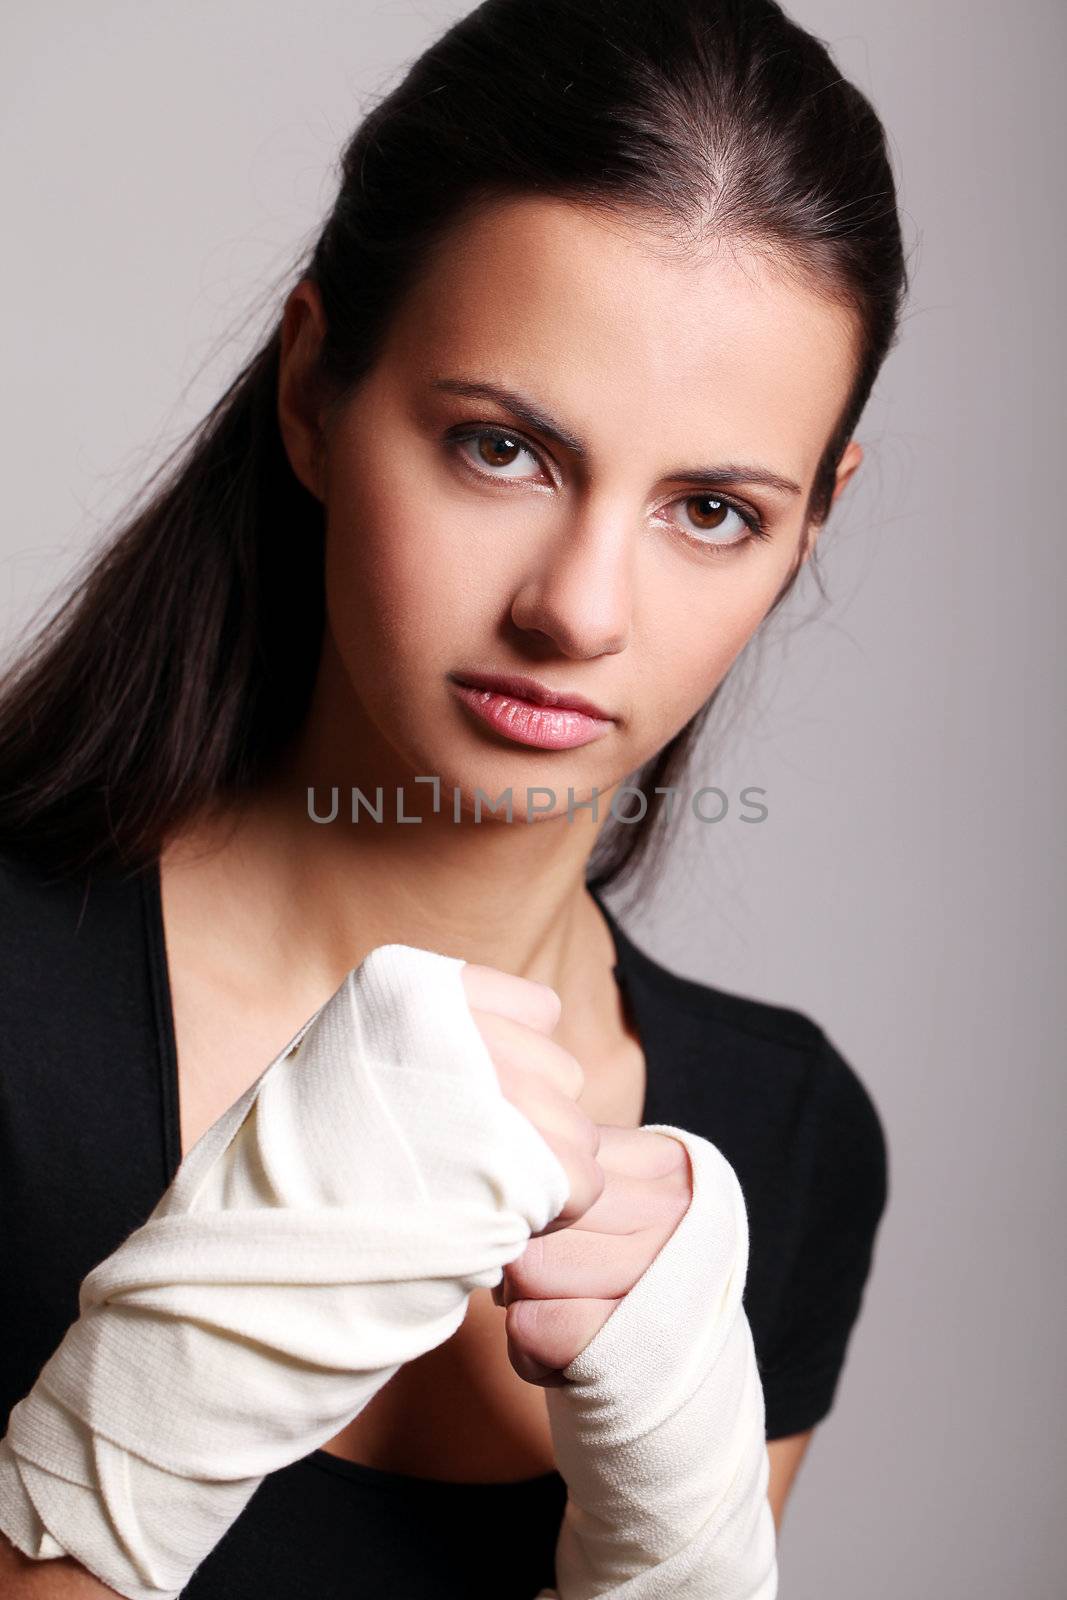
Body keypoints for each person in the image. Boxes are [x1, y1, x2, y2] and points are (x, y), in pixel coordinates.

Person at [0, 0, 903, 1593]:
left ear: (813, 522)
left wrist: (675, 1564)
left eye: (710, 508)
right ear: (311, 395)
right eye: (499, 449)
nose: (580, 609)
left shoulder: (783, 1137)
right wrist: (164, 1404)